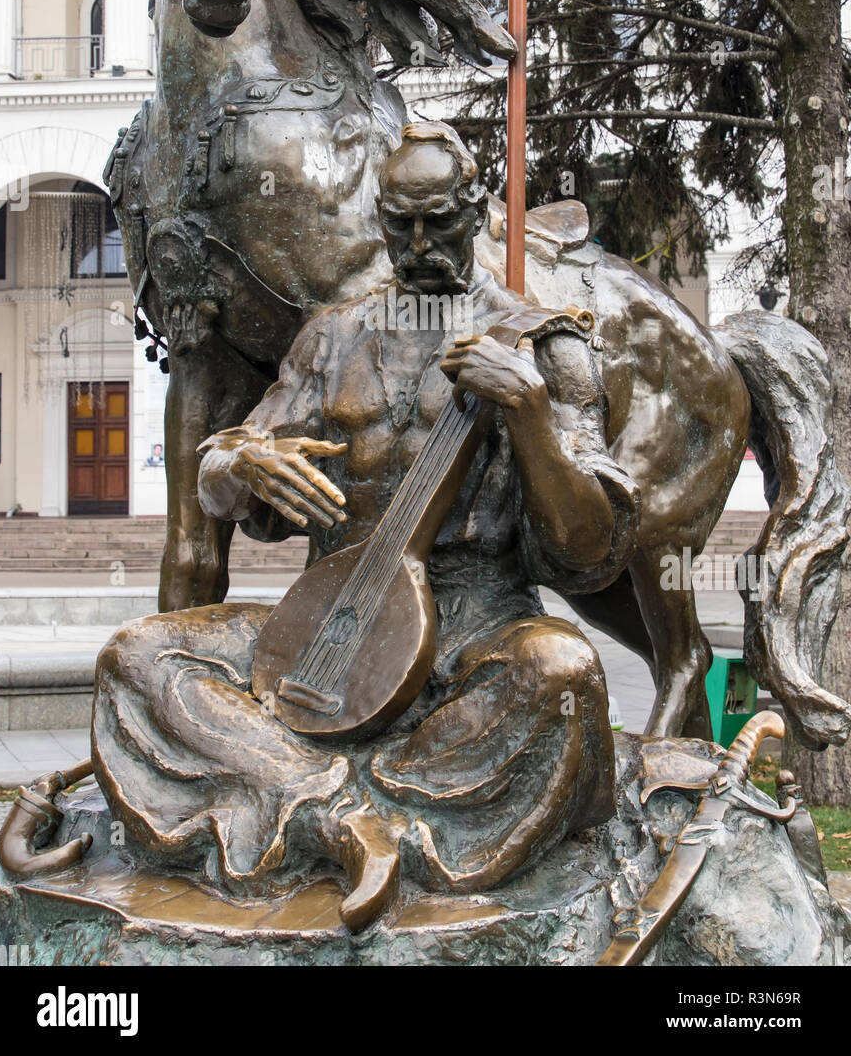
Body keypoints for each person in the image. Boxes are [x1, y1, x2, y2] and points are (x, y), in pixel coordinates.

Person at [92, 123, 640, 930]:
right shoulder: (334, 335)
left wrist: (527, 415)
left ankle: (281, 792)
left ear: (478, 210)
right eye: (400, 223)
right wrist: (238, 467)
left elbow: (592, 552)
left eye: (441, 221)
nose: (419, 244)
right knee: (138, 657)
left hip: (472, 628)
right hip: (327, 624)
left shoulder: (547, 348)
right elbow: (221, 471)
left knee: (559, 672)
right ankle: (338, 814)